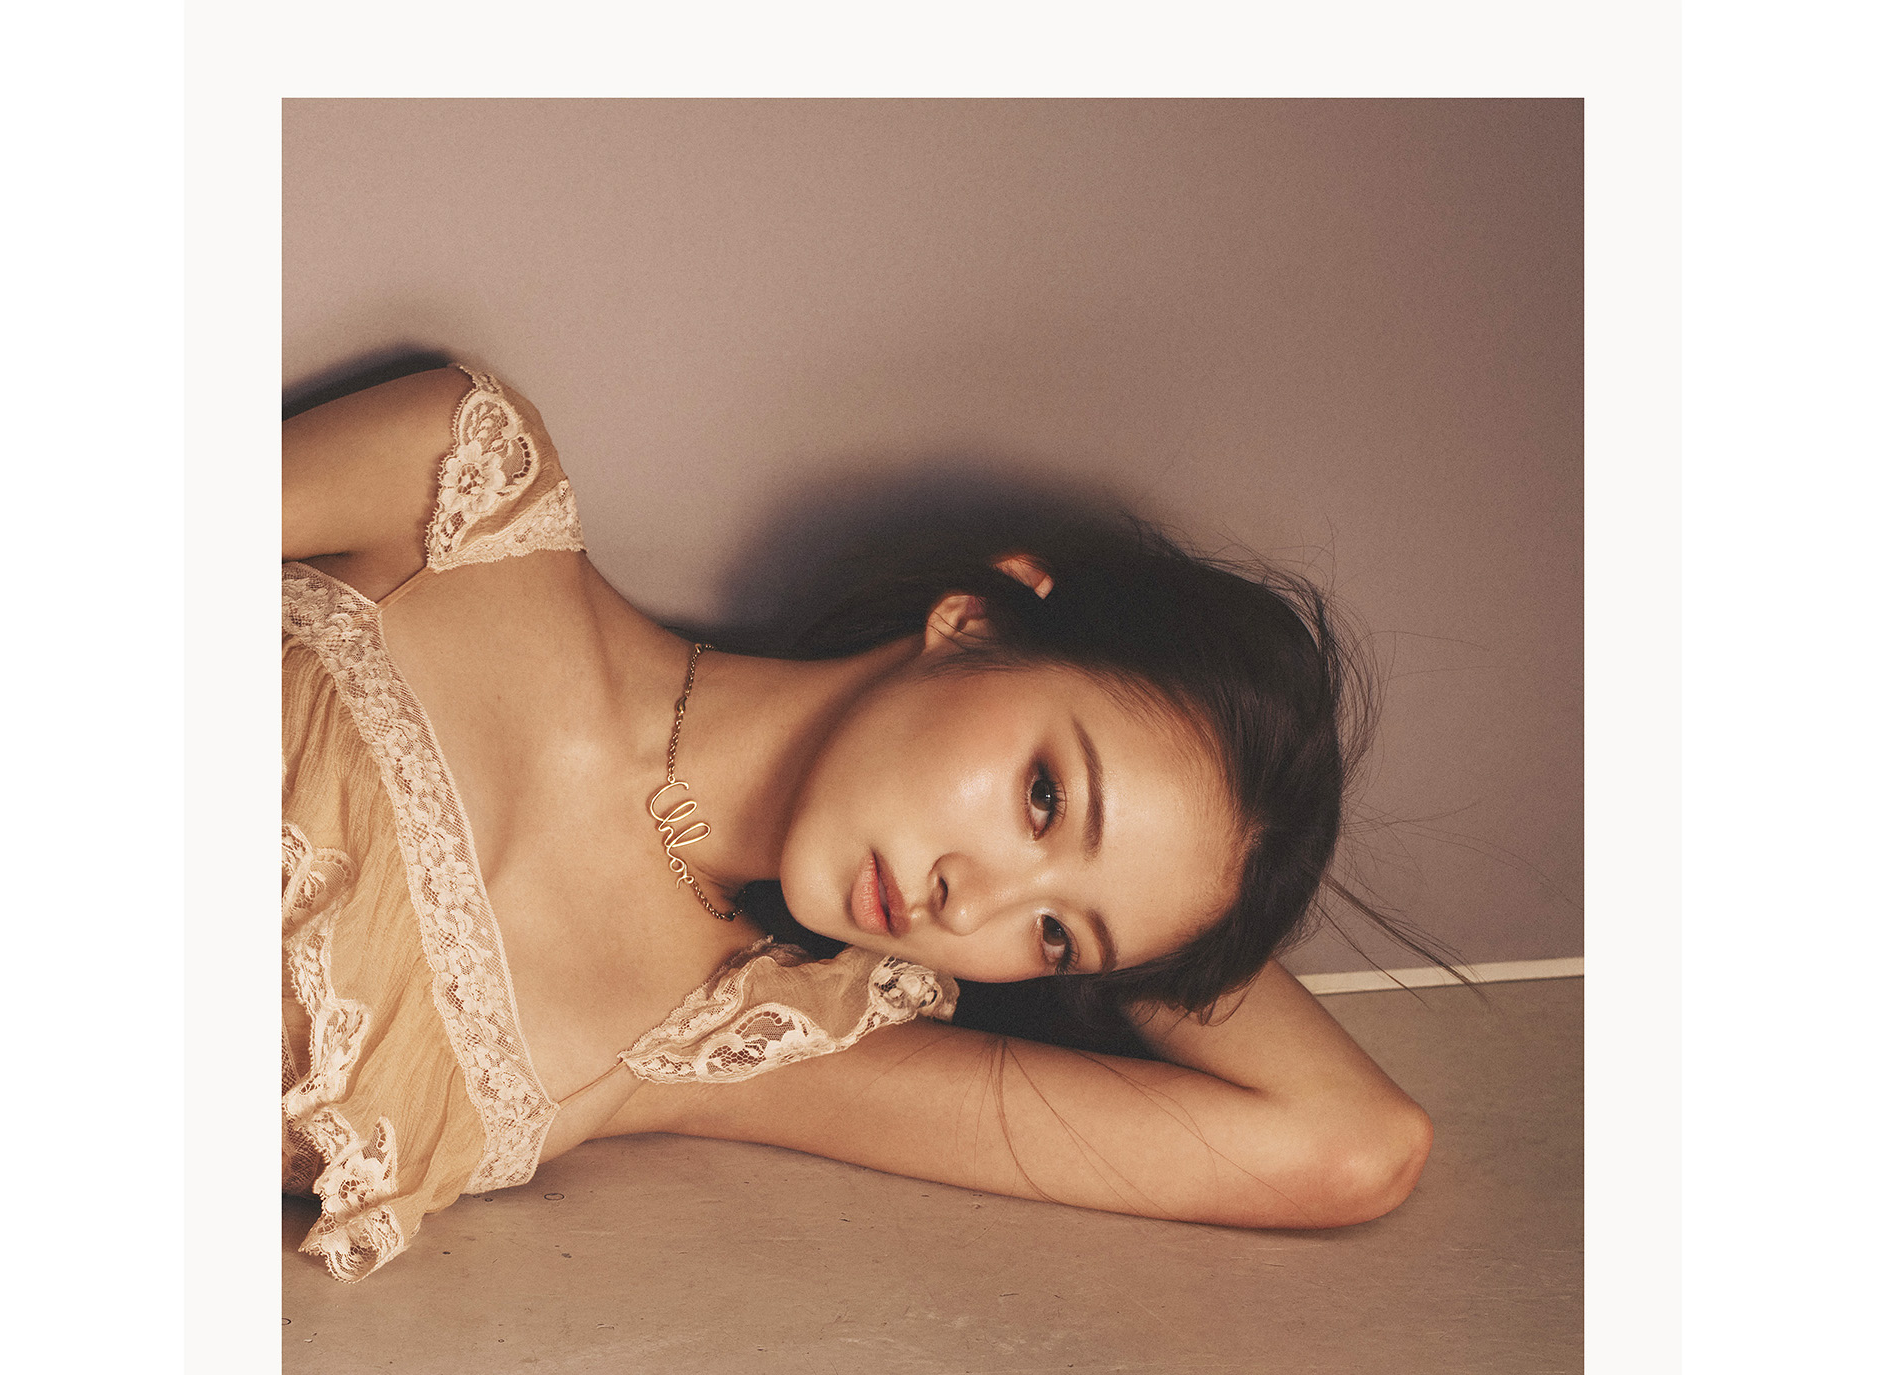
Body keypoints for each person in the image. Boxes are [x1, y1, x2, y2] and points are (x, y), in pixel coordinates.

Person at [282, 364, 1434, 1282]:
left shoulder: (721, 1046)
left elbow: (1351, 1146)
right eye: (1045, 797)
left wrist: (1185, 910)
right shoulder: (464, 500)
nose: (971, 907)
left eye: (1054, 937)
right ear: (976, 621)